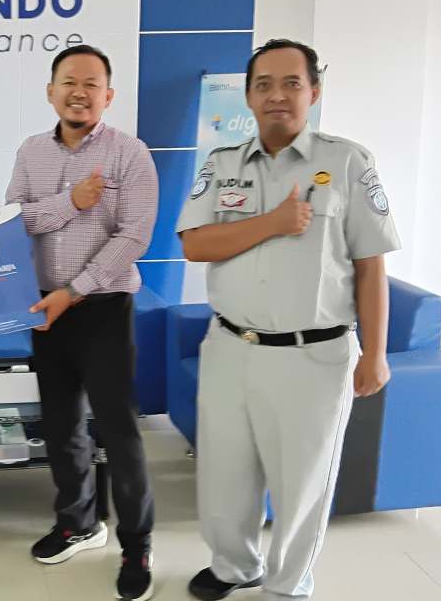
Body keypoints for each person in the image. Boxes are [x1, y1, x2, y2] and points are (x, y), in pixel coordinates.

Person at [177, 39, 401, 601]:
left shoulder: (348, 162)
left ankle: (286, 585)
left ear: (314, 92)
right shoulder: (223, 163)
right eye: (264, 85)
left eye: (291, 83)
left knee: (302, 484)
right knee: (225, 476)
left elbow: (371, 267)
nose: (277, 95)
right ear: (249, 97)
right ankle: (233, 567)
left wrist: (376, 353)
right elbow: (195, 244)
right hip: (230, 347)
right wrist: (273, 223)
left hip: (313, 355)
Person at [5, 44, 159, 601]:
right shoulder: (30, 152)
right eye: (69, 81)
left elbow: (134, 237)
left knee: (119, 429)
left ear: (108, 96)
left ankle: (136, 543)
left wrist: (75, 291)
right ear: (51, 91)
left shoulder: (130, 154)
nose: (80, 92)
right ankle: (78, 522)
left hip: (103, 308)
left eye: (92, 84)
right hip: (45, 309)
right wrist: (71, 201)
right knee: (61, 424)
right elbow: (15, 222)